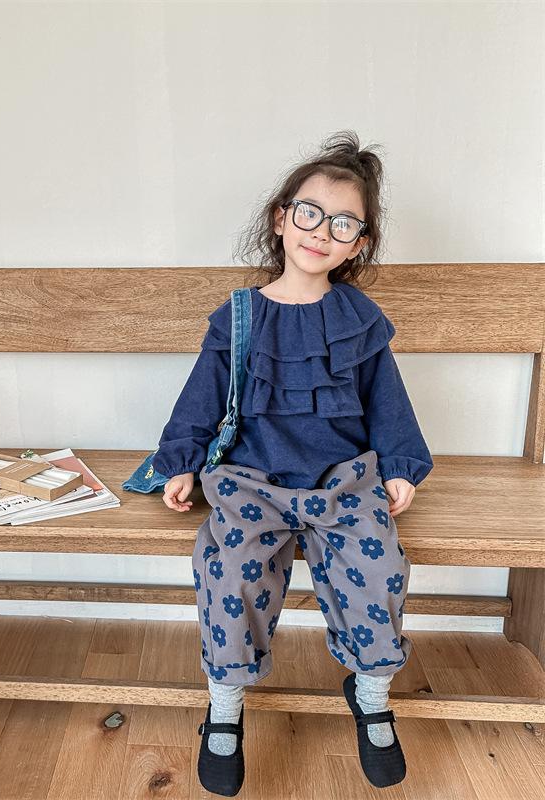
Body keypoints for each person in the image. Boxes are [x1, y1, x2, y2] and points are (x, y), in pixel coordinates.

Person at [151, 131, 434, 797]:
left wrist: (399, 465)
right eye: (310, 213)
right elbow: (201, 396)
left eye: (343, 223)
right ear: (281, 219)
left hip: (342, 482)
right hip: (252, 482)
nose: (321, 231)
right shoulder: (241, 316)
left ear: (357, 244)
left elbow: (387, 400)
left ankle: (371, 692)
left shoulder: (360, 319)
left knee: (380, 567)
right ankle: (224, 707)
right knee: (227, 571)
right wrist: (181, 462)